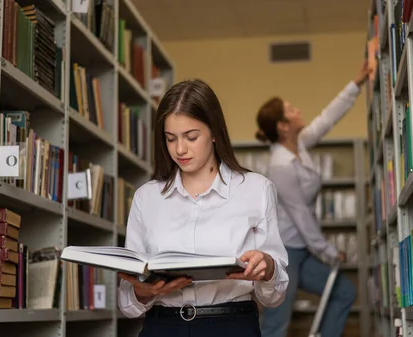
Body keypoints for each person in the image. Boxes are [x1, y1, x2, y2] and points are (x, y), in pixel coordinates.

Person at [117, 79, 289, 337]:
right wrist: (143, 291)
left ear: (215, 132)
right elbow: (127, 305)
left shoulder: (256, 189)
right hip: (162, 327)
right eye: (170, 138)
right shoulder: (146, 197)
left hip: (231, 327)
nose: (180, 149)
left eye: (191, 137)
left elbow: (275, 298)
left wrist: (268, 268)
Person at [255, 61, 371, 337]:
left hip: (302, 249)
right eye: (292, 110)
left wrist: (357, 83)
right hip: (284, 252)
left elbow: (327, 118)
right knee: (276, 325)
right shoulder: (280, 165)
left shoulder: (300, 144)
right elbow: (300, 215)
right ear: (283, 126)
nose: (299, 111)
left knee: (343, 292)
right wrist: (328, 251)